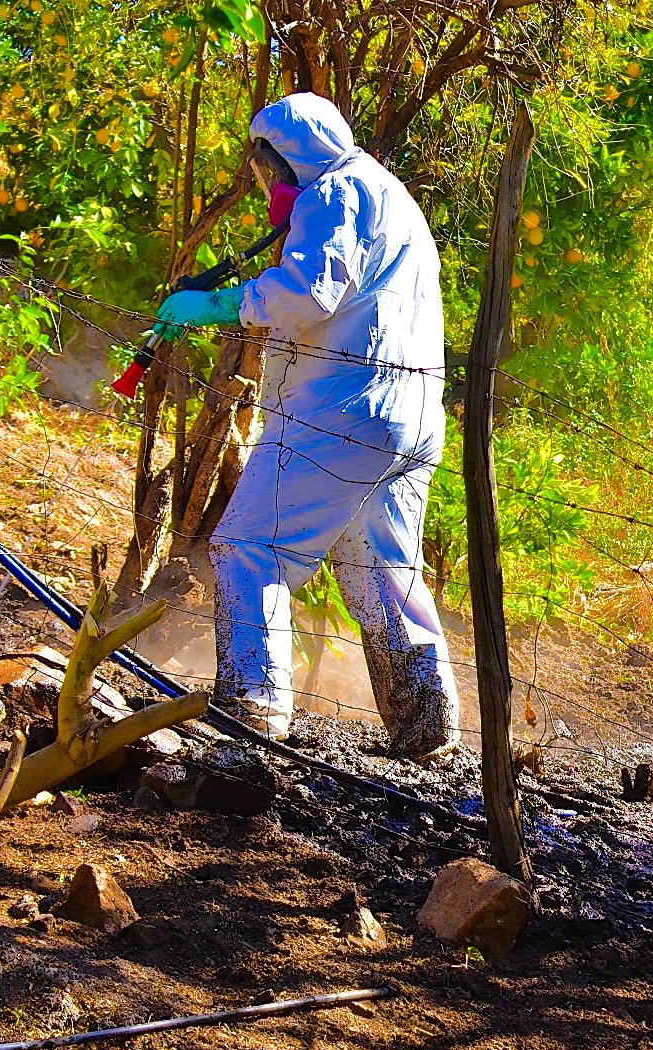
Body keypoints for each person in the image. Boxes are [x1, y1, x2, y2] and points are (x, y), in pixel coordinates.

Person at [153, 92, 459, 761]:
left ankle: (250, 712)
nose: (267, 184)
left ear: (286, 157)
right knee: (381, 564)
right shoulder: (392, 195)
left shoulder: (331, 195)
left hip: (341, 411)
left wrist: (222, 303)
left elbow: (308, 294)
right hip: (409, 418)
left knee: (247, 545)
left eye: (267, 168)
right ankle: (427, 718)